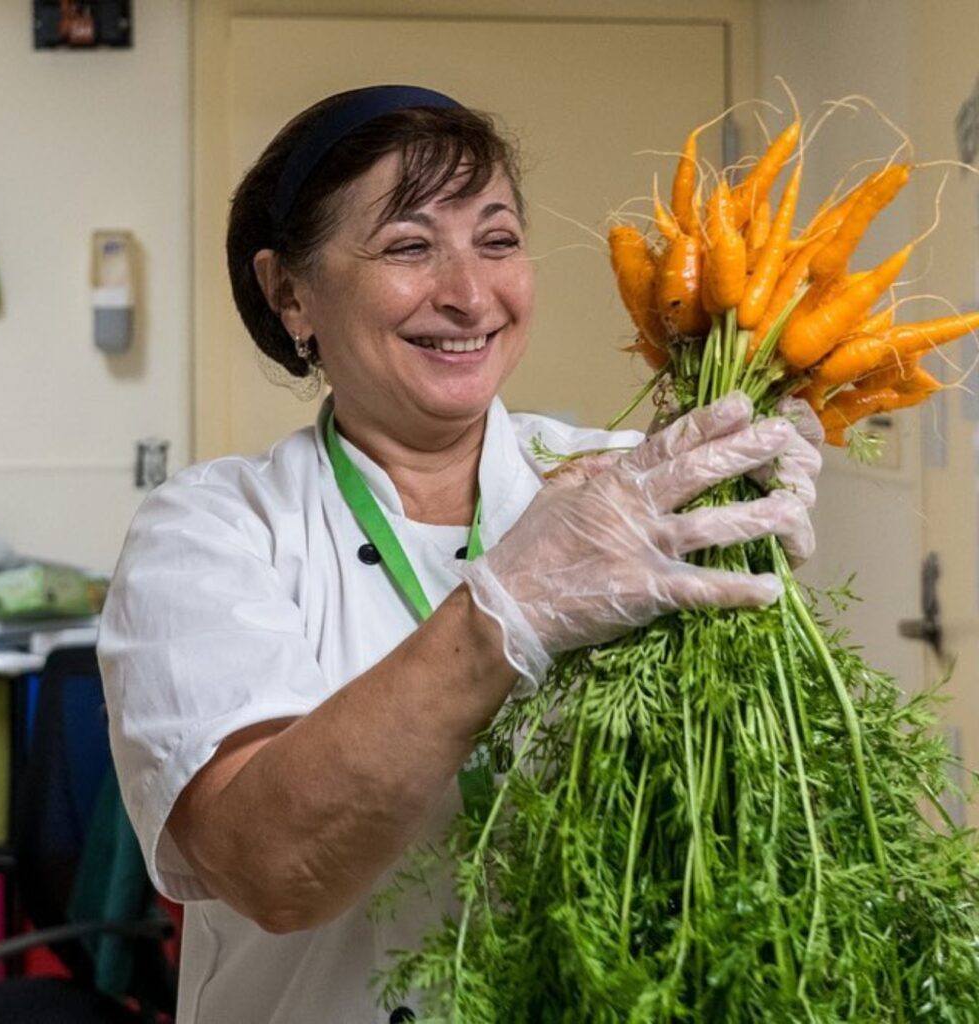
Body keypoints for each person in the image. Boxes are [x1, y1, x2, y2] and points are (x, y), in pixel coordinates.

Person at [98, 85, 822, 1023]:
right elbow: (274, 867)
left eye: (497, 239)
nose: (471, 295)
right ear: (291, 294)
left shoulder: (621, 490)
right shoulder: (212, 531)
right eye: (408, 246)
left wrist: (753, 553)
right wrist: (506, 610)